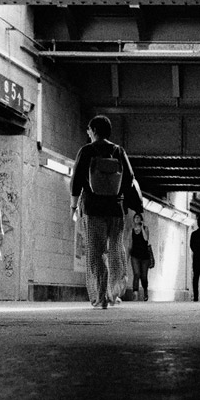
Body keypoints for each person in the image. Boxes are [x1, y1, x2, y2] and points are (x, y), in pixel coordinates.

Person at [71, 115, 143, 309]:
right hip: (115, 209)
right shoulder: (118, 151)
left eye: (88, 129)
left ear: (93, 130)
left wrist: (73, 205)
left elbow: (77, 178)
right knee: (115, 251)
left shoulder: (86, 151)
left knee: (96, 252)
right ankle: (114, 294)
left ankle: (99, 296)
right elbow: (129, 179)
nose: (87, 132)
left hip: (93, 208)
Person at [128, 213, 150, 301]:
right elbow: (130, 244)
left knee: (144, 276)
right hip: (135, 255)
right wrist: (127, 256)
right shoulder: (131, 231)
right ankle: (135, 294)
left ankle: (145, 290)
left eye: (138, 217)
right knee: (136, 274)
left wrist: (142, 227)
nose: (136, 219)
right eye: (135, 217)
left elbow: (146, 239)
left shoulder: (145, 228)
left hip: (145, 256)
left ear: (141, 219)